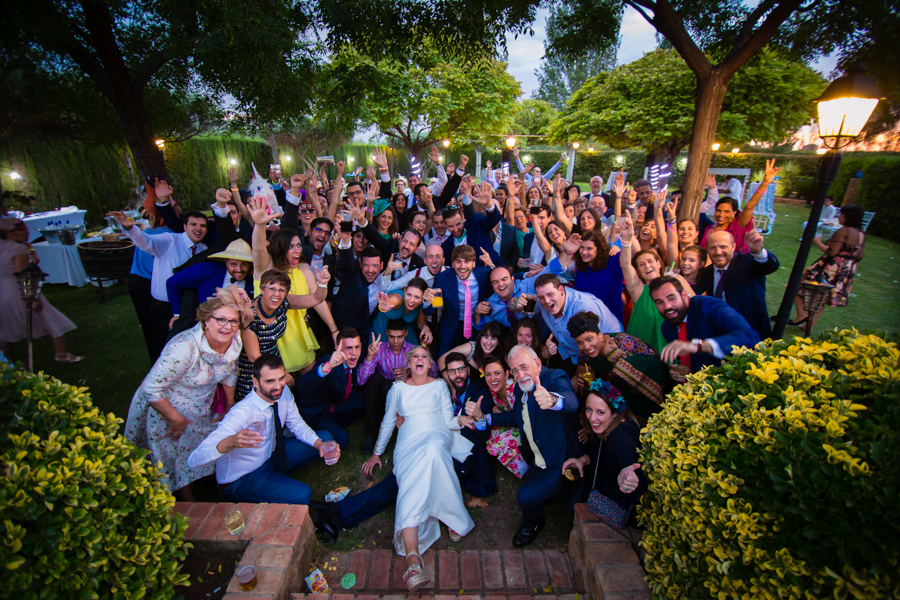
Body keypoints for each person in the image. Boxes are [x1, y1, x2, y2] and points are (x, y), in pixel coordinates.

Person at [361, 346, 475, 591]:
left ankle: (451, 514)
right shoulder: (397, 389)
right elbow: (388, 422)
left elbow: (447, 418)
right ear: (409, 364)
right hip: (408, 441)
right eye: (416, 356)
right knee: (412, 475)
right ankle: (413, 559)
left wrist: (460, 421)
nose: (420, 359)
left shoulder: (439, 386)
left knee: (434, 450)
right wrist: (377, 453)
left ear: (430, 363)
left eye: (425, 355)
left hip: (436, 433)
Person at [124, 286, 253, 500]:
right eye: (221, 319)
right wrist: (176, 420)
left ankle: (206, 484)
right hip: (166, 408)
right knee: (173, 453)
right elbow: (152, 388)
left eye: (233, 321)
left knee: (199, 444)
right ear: (206, 320)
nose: (227, 326)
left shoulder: (235, 339)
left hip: (201, 404)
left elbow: (230, 372)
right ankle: (187, 502)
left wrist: (228, 407)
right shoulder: (184, 348)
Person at [187, 354, 339, 505]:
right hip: (242, 478)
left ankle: (276, 481)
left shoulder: (283, 392)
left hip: (271, 456)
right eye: (270, 381)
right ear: (256, 382)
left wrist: (320, 445)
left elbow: (297, 424)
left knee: (324, 438)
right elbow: (194, 460)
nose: (277, 386)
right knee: (303, 495)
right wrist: (230, 441)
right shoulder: (242, 412)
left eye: (281, 378)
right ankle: (274, 485)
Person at [466, 344, 579, 547]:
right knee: (535, 484)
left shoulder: (554, 377)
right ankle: (552, 494)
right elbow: (515, 417)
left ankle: (533, 524)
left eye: (524, 367)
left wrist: (553, 400)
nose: (520, 374)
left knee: (525, 496)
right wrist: (484, 418)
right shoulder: (521, 387)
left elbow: (570, 400)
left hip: (558, 460)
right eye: (515, 370)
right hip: (535, 455)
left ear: (537, 363)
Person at [109, 206, 209, 361]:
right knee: (161, 350)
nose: (198, 229)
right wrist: (129, 227)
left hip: (187, 309)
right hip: (163, 307)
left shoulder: (204, 250)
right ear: (185, 226)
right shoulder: (169, 240)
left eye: (203, 226)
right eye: (194, 224)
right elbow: (146, 242)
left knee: (184, 352)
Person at [249, 198, 333, 375]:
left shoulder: (303, 268)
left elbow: (318, 301)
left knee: (307, 386)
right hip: (274, 339)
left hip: (300, 336)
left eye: (299, 246)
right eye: (291, 247)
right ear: (280, 248)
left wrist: (334, 329)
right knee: (277, 386)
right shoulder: (267, 268)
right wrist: (259, 225)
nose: (297, 250)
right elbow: (257, 249)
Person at [235, 268, 331, 401]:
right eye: (272, 289)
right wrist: (282, 374)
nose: (277, 294)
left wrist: (322, 284)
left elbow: (316, 298)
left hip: (274, 360)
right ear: (262, 289)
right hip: (254, 370)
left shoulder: (284, 302)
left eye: (281, 290)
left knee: (280, 406)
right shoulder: (250, 316)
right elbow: (254, 357)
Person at [562, 380, 646, 528]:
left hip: (626, 505)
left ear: (614, 413)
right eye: (589, 409)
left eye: (600, 412)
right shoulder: (608, 427)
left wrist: (628, 479)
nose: (592, 418)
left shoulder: (620, 439)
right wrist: (582, 460)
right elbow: (599, 450)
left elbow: (635, 475)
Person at [0, 218, 84, 362]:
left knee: (7, 330)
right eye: (21, 229)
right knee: (54, 320)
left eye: (26, 228)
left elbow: (36, 260)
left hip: (3, 292)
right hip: (19, 291)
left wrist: (28, 246)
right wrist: (34, 298)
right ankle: (61, 354)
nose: (26, 231)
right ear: (8, 232)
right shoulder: (18, 249)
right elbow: (23, 275)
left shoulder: (9, 246)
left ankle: (6, 363)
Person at [509, 273, 622, 375]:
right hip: (569, 351)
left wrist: (581, 367)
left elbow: (589, 342)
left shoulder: (581, 307)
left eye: (550, 294)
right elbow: (510, 304)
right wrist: (517, 304)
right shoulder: (542, 301)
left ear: (561, 290)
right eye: (541, 297)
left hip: (604, 351)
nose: (547, 301)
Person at [650, 276, 760, 374]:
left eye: (671, 298)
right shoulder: (667, 328)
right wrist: (683, 372)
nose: (667, 306)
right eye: (659, 302)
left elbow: (750, 338)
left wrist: (698, 346)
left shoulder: (709, 307)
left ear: (684, 295)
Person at [567, 311, 665, 420]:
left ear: (600, 335)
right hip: (623, 401)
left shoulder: (623, 343)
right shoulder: (585, 356)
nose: (586, 346)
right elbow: (590, 382)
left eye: (590, 339)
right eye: (579, 342)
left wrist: (617, 356)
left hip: (649, 395)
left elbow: (654, 363)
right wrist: (584, 381)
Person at [792, 204, 866, 327]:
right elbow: (859, 256)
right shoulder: (861, 234)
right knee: (822, 299)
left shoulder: (844, 231)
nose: (839, 216)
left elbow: (832, 251)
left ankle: (801, 314)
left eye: (842, 214)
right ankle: (808, 326)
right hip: (846, 269)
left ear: (848, 217)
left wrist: (817, 241)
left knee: (795, 285)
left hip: (831, 267)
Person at [700, 229, 779, 340]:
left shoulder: (748, 261)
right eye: (713, 247)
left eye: (723, 247)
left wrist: (757, 251)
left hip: (752, 334)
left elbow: (770, 266)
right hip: (720, 334)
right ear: (707, 249)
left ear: (733, 247)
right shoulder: (706, 273)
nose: (718, 252)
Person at [295, 328, 366, 450]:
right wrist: (327, 367)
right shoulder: (327, 362)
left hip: (334, 403)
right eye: (349, 348)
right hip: (318, 411)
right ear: (337, 347)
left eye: (357, 347)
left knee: (363, 402)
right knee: (343, 440)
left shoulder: (352, 359)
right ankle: (319, 429)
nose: (354, 353)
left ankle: (333, 424)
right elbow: (302, 385)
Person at [166, 239, 255, 336]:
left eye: (244, 264)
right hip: (205, 328)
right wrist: (177, 314)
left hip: (237, 331)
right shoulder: (206, 269)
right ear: (226, 262)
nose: (239, 269)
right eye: (233, 264)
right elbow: (172, 282)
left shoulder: (253, 280)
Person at [442, 352, 496, 498]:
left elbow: (483, 435)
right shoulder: (445, 391)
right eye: (452, 371)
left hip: (466, 449)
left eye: (461, 369)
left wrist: (479, 417)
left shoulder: (481, 393)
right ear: (447, 374)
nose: (458, 375)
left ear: (467, 370)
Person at [700, 160, 780, 254]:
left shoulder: (737, 226)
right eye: (718, 210)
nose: (721, 214)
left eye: (727, 211)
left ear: (734, 212)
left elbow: (749, 207)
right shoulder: (708, 228)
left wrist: (765, 183)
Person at [618, 214, 670, 353]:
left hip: (670, 352)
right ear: (638, 272)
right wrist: (627, 239)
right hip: (642, 356)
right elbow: (625, 265)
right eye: (641, 264)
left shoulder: (673, 287)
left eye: (650, 261)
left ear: (659, 264)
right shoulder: (639, 290)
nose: (647, 266)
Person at [427, 245, 492, 355]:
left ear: (474, 264)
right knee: (442, 362)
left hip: (477, 326)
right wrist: (427, 301)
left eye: (467, 261)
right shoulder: (443, 278)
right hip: (451, 328)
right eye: (458, 261)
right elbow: (431, 309)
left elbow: (505, 279)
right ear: (452, 264)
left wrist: (492, 266)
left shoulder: (485, 274)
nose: (462, 266)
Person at [550, 230, 625, 322]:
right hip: (585, 322)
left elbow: (630, 266)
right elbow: (556, 272)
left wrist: (625, 244)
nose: (584, 252)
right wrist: (567, 252)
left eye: (589, 248)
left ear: (599, 249)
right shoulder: (580, 265)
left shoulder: (613, 260)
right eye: (582, 247)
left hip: (609, 322)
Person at [478, 354, 528, 479]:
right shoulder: (491, 392)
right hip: (513, 425)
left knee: (502, 437)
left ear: (506, 374)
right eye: (488, 374)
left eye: (497, 373)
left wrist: (487, 417)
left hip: (527, 426)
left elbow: (516, 417)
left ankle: (527, 465)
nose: (492, 378)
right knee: (492, 435)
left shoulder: (516, 387)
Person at [437, 321, 509, 381]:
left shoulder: (502, 356)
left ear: (498, 341)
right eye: (485, 337)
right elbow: (441, 361)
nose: (488, 342)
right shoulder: (471, 348)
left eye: (493, 339)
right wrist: (451, 386)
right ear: (480, 338)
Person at [371, 278, 431, 345]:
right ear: (405, 291)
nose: (411, 300)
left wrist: (425, 327)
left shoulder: (420, 305)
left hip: (405, 335)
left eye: (416, 297)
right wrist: (385, 306)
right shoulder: (399, 297)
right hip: (381, 331)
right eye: (409, 294)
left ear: (423, 297)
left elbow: (421, 322)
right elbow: (394, 300)